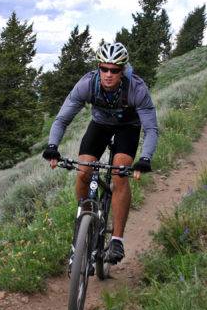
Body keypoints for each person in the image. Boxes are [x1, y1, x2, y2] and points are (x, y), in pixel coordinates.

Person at [42, 42, 158, 265]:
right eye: (104, 69)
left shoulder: (137, 88)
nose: (108, 75)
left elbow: (151, 128)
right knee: (83, 171)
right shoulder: (88, 84)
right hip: (100, 125)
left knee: (119, 174)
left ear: (122, 70)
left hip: (128, 128)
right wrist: (53, 146)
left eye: (114, 70)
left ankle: (116, 239)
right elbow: (63, 119)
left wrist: (145, 158)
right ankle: (83, 221)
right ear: (98, 68)